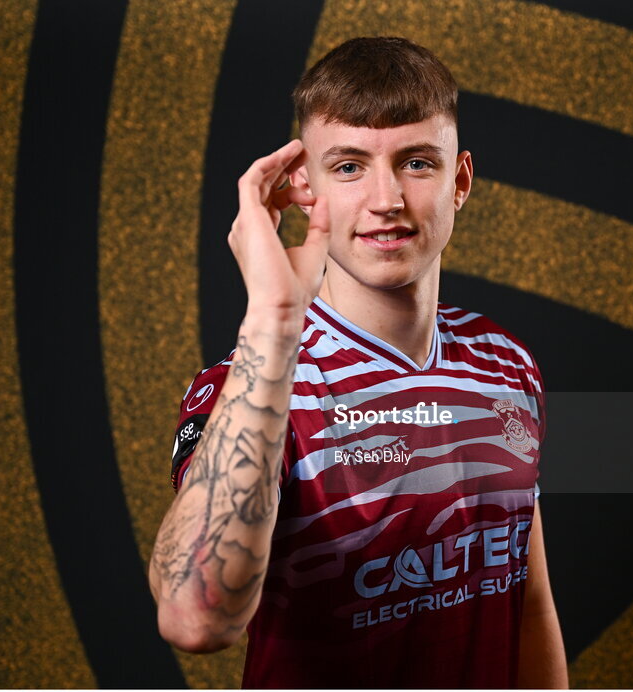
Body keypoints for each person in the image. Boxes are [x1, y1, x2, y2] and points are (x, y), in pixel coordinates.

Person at [149, 36, 567, 688]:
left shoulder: (504, 364)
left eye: (417, 163)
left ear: (460, 181)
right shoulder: (251, 384)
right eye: (347, 167)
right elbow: (196, 620)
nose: (385, 199)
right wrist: (272, 324)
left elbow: (530, 605)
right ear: (305, 190)